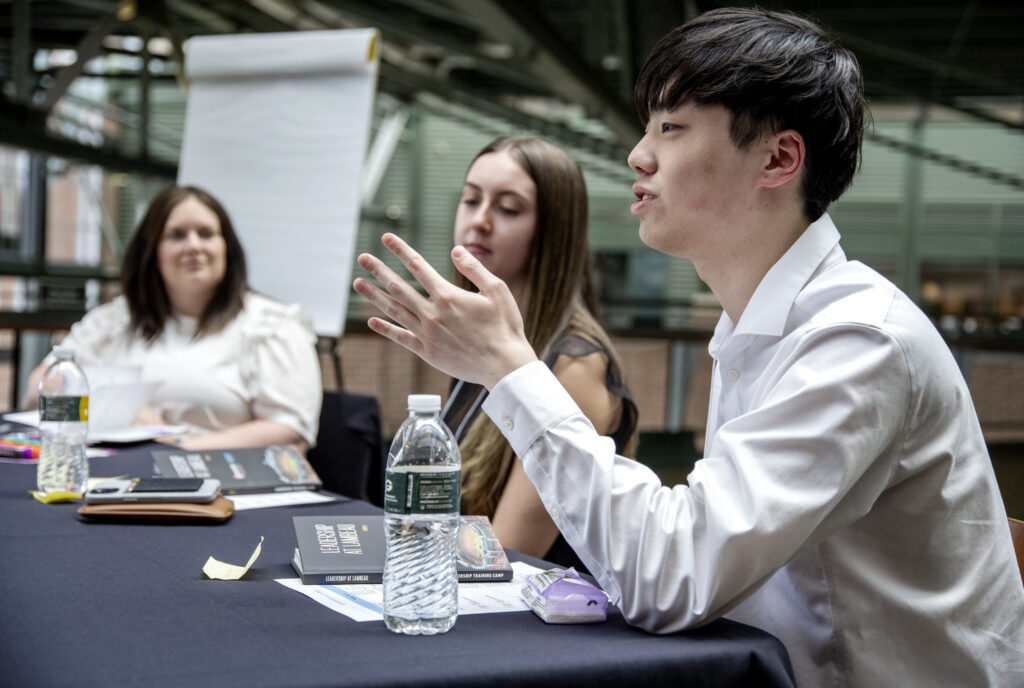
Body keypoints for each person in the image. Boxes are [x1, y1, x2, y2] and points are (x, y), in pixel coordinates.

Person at [352, 7, 1024, 687]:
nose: (638, 155)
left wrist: (509, 365)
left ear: (779, 158)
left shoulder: (859, 341)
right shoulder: (759, 326)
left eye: (670, 128)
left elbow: (670, 577)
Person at [442, 136, 637, 569]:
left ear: (554, 230)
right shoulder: (481, 338)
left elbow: (505, 551)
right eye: (471, 200)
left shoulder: (575, 366)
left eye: (508, 208)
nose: (480, 221)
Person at [22, 184, 322, 452]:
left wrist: (178, 445)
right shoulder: (113, 320)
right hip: (109, 477)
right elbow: (39, 389)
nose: (193, 245)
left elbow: (291, 429)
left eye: (206, 233)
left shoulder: (271, 325)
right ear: (151, 251)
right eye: (176, 235)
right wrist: (117, 410)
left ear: (226, 248)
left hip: (226, 487)